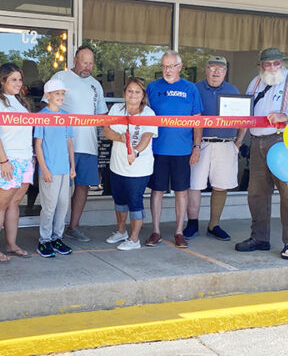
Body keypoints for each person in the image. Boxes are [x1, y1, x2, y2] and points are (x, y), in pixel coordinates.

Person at [235, 48, 288, 260]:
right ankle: (259, 238)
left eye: (276, 63)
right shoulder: (255, 82)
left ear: (283, 63)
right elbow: (245, 113)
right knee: (256, 194)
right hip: (257, 141)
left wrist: (286, 115)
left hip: (283, 142)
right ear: (261, 66)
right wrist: (239, 140)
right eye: (268, 64)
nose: (272, 67)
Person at [45, 45, 108, 242]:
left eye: (90, 63)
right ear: (74, 60)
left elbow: (102, 115)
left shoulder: (96, 84)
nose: (87, 67)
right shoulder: (60, 77)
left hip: (88, 144)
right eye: (84, 62)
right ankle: (53, 232)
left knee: (83, 186)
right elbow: (47, 109)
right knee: (59, 189)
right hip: (63, 145)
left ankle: (73, 227)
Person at [183, 55, 245, 242]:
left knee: (221, 185)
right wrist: (193, 144)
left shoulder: (233, 90)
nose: (216, 71)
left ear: (225, 71)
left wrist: (238, 142)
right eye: (213, 67)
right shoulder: (194, 89)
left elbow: (244, 118)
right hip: (200, 144)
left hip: (226, 144)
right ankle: (192, 223)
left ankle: (214, 225)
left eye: (221, 68)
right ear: (206, 69)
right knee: (194, 185)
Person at [145, 50, 203, 248]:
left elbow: (198, 121)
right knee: (157, 191)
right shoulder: (152, 88)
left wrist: (197, 146)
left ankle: (179, 232)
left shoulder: (190, 89)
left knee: (181, 191)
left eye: (171, 66)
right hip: (157, 149)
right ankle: (155, 231)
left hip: (182, 150)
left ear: (179, 66)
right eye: (164, 66)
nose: (167, 70)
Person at [0, 63, 33, 262]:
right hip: (5, 160)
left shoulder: (20, 102)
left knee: (14, 204)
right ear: (1, 80)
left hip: (24, 160)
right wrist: (4, 160)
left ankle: (11, 244)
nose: (18, 83)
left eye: (20, 79)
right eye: (13, 79)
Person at [103, 78, 158, 251]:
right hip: (117, 165)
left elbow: (146, 137)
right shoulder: (116, 109)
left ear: (143, 95)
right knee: (119, 201)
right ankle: (121, 232)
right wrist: (120, 138)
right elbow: (107, 130)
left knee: (135, 202)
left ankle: (134, 239)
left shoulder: (149, 113)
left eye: (137, 92)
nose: (133, 94)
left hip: (139, 167)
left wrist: (135, 151)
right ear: (125, 92)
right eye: (130, 91)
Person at [33, 79, 75, 258]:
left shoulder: (66, 116)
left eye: (63, 93)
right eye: (57, 93)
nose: (61, 97)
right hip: (49, 169)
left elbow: (69, 142)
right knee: (49, 207)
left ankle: (57, 238)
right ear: (48, 95)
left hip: (64, 169)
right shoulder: (42, 116)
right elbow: (38, 145)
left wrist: (72, 166)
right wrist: (44, 168)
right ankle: (44, 240)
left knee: (63, 206)